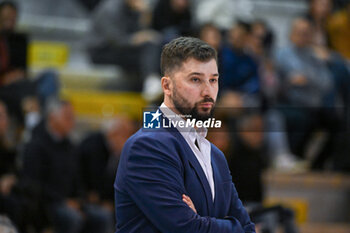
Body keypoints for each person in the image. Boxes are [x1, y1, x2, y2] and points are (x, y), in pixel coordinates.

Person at [114, 37, 256, 233]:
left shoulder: (215, 155)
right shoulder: (147, 145)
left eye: (213, 80)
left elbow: (248, 229)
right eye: (195, 79)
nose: (208, 91)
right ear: (167, 86)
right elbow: (186, 228)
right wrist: (231, 226)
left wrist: (201, 221)